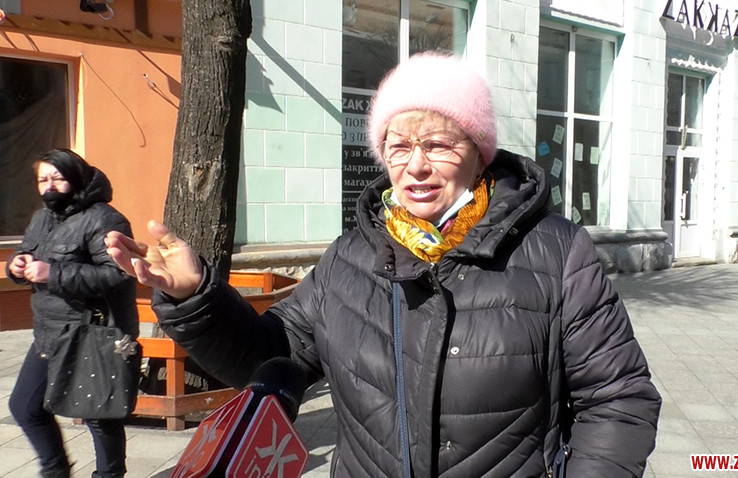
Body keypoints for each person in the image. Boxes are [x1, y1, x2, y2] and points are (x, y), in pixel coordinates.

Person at [105, 52, 661, 477]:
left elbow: (618, 400)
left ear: (478, 152)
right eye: (398, 146)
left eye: (438, 144)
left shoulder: (556, 252)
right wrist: (195, 296)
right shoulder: (349, 257)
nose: (416, 165)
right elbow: (270, 353)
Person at [6, 149, 138, 478]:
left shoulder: (104, 218)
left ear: (76, 178)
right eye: (42, 180)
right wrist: (16, 265)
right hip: (49, 332)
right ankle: (56, 471)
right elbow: (26, 251)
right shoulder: (43, 218)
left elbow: (118, 275)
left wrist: (53, 273)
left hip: (90, 333)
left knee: (99, 415)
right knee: (25, 406)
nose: (49, 186)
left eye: (57, 178)